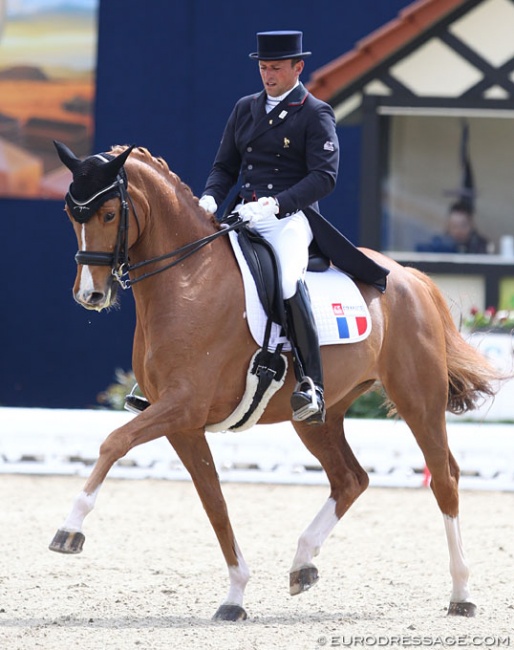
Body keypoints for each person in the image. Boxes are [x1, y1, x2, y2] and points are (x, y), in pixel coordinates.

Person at [198, 30, 389, 425]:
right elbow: (225, 166)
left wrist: (277, 204)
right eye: (264, 68)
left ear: (298, 67)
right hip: (245, 215)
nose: (268, 76)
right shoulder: (245, 108)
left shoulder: (314, 112)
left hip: (289, 220)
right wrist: (212, 198)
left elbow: (325, 176)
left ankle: (310, 383)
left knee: (286, 281)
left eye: (276, 68)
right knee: (202, 275)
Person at [417, 200, 491, 254]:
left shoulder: (481, 246)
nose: (458, 231)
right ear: (448, 225)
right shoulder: (439, 245)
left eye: (463, 226)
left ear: (471, 224)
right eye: (454, 226)